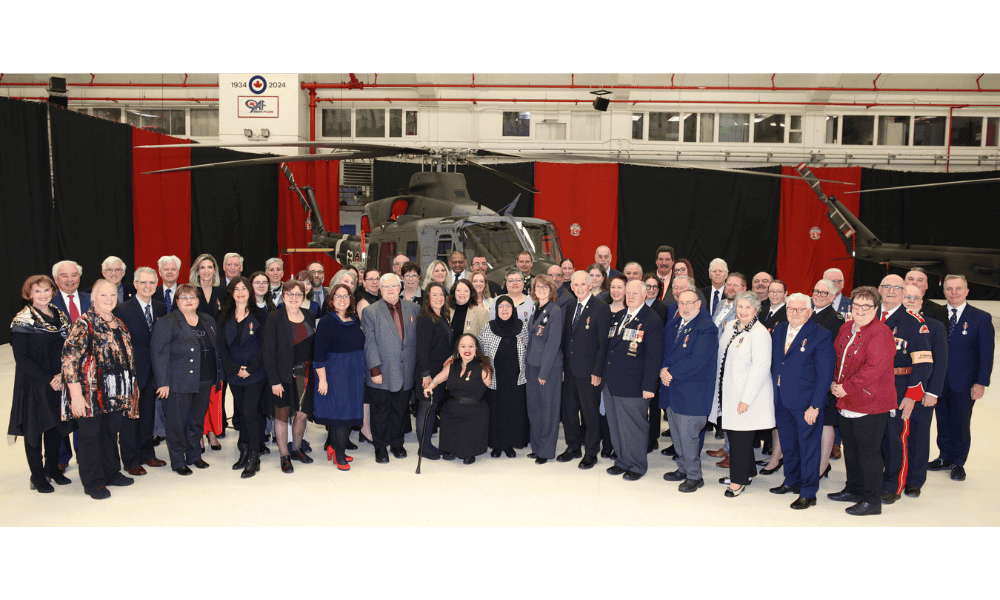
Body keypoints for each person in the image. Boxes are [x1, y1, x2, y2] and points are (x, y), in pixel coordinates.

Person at [62, 279, 139, 499]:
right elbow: (70, 361)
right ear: (93, 298)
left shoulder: (119, 323)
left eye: (112, 295)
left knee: (109, 434)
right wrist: (76, 396)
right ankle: (93, 482)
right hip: (89, 394)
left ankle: (111, 473)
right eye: (103, 295)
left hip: (114, 394)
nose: (108, 299)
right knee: (90, 437)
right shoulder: (83, 323)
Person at [828, 286, 896, 516]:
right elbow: (838, 357)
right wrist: (835, 383)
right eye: (856, 305)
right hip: (846, 399)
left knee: (869, 452)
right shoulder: (847, 326)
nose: (860, 310)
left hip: (871, 402)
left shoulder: (881, 332)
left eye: (866, 306)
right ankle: (854, 488)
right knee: (852, 449)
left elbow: (874, 368)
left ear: (876, 308)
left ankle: (871, 500)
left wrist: (845, 387)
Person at [9, 275, 74, 493]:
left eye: (46, 290)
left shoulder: (60, 315)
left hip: (59, 379)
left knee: (56, 427)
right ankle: (37, 476)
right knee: (35, 430)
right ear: (29, 294)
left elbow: (69, 348)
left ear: (53, 291)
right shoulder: (22, 320)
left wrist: (62, 374)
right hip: (35, 383)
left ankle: (53, 470)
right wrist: (49, 378)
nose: (43, 295)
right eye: (37, 291)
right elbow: (22, 359)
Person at [769, 293, 835, 509]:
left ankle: (808, 492)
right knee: (788, 445)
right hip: (781, 400)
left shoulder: (821, 335)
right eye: (791, 309)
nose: (794, 313)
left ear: (809, 311)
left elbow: (825, 374)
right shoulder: (779, 330)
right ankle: (791, 480)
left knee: (809, 449)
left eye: (800, 310)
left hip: (807, 404)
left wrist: (815, 405)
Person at [151, 283, 223, 477]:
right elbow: (159, 354)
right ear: (177, 301)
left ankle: (194, 455)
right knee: (177, 423)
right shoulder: (167, 322)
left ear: (198, 300)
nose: (189, 301)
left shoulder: (207, 320)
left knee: (196, 421)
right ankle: (178, 460)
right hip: (177, 382)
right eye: (184, 298)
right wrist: (162, 382)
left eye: (193, 297)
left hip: (205, 379)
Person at [875, 274, 934, 505]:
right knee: (871, 438)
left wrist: (913, 395)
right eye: (886, 286)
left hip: (898, 389)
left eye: (896, 287)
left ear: (903, 292)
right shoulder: (867, 314)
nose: (891, 291)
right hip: (869, 388)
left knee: (894, 438)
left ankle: (892, 485)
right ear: (879, 289)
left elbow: (924, 364)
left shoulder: (914, 322)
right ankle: (871, 480)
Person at [929, 274, 994, 482]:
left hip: (964, 382)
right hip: (938, 381)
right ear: (944, 291)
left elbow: (986, 354)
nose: (953, 293)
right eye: (949, 289)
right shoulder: (935, 314)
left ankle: (958, 461)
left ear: (967, 291)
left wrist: (981, 382)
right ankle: (944, 457)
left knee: (961, 422)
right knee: (942, 420)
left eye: (958, 288)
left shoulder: (981, 318)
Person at [602, 280, 664, 481]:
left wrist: (649, 386)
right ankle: (622, 460)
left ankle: (637, 465)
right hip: (612, 383)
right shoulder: (619, 316)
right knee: (616, 425)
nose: (629, 296)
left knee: (634, 427)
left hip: (635, 385)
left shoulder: (651, 320)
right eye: (627, 293)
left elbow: (654, 357)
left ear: (645, 295)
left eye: (634, 293)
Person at [714, 291, 774, 497]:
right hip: (729, 391)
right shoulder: (730, 326)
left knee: (740, 438)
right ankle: (747, 471)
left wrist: (746, 399)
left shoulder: (759, 333)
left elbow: (761, 367)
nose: (743, 311)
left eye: (748, 307)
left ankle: (738, 481)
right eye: (740, 306)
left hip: (747, 396)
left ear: (756, 309)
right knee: (735, 433)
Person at [661, 289, 719, 493]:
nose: (685, 307)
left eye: (689, 303)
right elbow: (666, 350)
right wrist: (663, 369)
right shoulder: (676, 323)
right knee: (676, 434)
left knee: (688, 436)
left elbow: (696, 360)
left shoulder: (706, 328)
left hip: (693, 392)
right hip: (672, 389)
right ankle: (683, 468)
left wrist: (670, 372)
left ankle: (695, 476)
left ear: (698, 304)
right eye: (681, 303)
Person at [112, 267, 168, 476]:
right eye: (143, 282)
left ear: (156, 284)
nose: (147, 286)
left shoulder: (161, 308)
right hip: (131, 373)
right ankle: (130, 459)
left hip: (154, 372)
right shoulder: (122, 310)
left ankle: (147, 453)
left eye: (151, 283)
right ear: (135, 284)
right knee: (130, 418)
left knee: (147, 415)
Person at [363, 273, 419, 463]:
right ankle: (380, 447)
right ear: (380, 289)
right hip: (382, 371)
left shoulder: (414, 309)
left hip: (406, 371)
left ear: (400, 287)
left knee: (400, 410)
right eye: (385, 287)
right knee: (380, 413)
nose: (390, 290)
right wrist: (374, 369)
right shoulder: (370, 311)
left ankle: (397, 444)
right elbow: (369, 343)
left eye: (393, 286)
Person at [262, 280, 317, 473]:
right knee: (282, 415)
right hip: (282, 377)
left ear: (304, 296)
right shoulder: (275, 317)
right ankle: (284, 455)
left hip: (305, 375)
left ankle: (296, 449)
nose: (294, 298)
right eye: (290, 294)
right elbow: (268, 353)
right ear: (283, 296)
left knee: (301, 414)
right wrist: (274, 381)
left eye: (298, 294)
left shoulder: (309, 315)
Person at [217, 276, 269, 478]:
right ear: (231, 292)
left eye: (244, 288)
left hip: (255, 373)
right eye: (236, 288)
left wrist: (250, 367)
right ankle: (245, 452)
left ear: (250, 291)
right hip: (234, 374)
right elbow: (221, 346)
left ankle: (254, 456)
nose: (240, 292)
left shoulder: (261, 315)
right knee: (243, 413)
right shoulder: (224, 315)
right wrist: (233, 368)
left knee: (250, 412)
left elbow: (265, 346)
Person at [559, 271, 612, 469]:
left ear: (590, 285)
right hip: (570, 370)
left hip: (590, 372)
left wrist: (597, 372)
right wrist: (564, 367)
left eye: (583, 284)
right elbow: (567, 339)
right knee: (570, 411)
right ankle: (573, 446)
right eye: (576, 285)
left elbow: (602, 345)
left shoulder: (601, 308)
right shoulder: (572, 305)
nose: (579, 288)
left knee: (590, 413)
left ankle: (591, 452)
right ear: (571, 286)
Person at [900, 283, 948, 497]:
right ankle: (893, 474)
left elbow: (940, 363)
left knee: (918, 437)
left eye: (915, 298)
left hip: (923, 393)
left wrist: (932, 393)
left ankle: (914, 481)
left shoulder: (934, 326)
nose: (910, 300)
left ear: (922, 302)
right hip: (895, 390)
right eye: (907, 296)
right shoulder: (893, 323)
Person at [314, 283, 366, 471]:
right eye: (338, 296)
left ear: (351, 300)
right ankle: (340, 455)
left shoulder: (354, 318)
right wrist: (322, 379)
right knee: (340, 415)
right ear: (332, 300)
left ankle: (333, 447)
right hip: (336, 375)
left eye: (346, 296)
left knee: (348, 413)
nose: (342, 299)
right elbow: (318, 353)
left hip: (354, 375)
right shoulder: (327, 321)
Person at [424, 333, 494, 464]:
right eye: (463, 346)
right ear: (458, 349)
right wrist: (430, 386)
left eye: (470, 346)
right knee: (448, 416)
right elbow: (438, 378)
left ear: (476, 349)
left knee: (469, 435)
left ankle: (470, 452)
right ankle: (451, 449)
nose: (467, 350)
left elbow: (489, 384)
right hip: (452, 408)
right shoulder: (452, 365)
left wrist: (485, 365)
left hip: (474, 410)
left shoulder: (482, 366)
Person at [479, 295, 529, 458]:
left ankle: (509, 445)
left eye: (508, 305)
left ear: (513, 309)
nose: (505, 309)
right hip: (495, 378)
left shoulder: (522, 327)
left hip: (516, 378)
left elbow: (529, 349)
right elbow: (480, 351)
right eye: (501, 306)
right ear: (496, 310)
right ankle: (496, 445)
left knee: (513, 411)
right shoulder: (488, 327)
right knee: (495, 410)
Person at [524, 274, 564, 464]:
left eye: (545, 287)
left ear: (551, 290)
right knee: (534, 409)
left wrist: (544, 372)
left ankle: (546, 451)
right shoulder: (536, 309)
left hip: (547, 369)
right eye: (537, 287)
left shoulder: (555, 311)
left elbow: (553, 344)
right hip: (532, 366)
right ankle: (537, 446)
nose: (540, 290)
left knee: (548, 411)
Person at [811, 278, 846, 477]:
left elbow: (835, 353)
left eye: (824, 293)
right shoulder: (809, 314)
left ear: (833, 297)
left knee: (826, 423)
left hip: (826, 378)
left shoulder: (835, 319)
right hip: (808, 378)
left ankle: (822, 466)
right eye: (816, 291)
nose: (818, 295)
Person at [190, 253, 224, 449]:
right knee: (199, 395)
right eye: (202, 267)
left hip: (216, 350)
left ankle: (212, 432)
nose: (206, 271)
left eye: (210, 267)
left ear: (214, 271)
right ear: (197, 271)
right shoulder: (190, 291)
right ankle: (200, 434)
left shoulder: (222, 291)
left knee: (214, 394)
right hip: (196, 350)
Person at [415, 283, 452, 459]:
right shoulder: (425, 319)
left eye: (441, 295)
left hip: (440, 371)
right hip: (428, 372)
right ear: (428, 298)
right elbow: (421, 349)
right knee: (425, 409)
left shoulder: (442, 316)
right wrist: (425, 374)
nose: (439, 298)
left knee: (432, 407)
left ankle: (427, 443)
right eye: (434, 295)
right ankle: (423, 447)